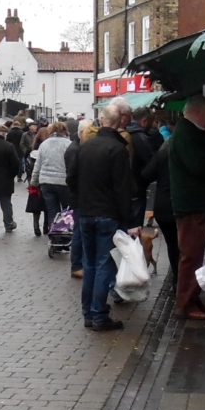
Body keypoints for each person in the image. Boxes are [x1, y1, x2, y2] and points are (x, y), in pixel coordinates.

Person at [67, 104, 139, 332]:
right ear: (119, 122)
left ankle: (89, 313)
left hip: (86, 213)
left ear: (101, 120)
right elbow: (122, 189)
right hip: (108, 214)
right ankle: (98, 314)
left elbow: (71, 179)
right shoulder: (117, 149)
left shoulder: (85, 147)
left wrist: (82, 199)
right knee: (104, 265)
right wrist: (130, 221)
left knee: (89, 264)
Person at [169, 95, 205, 320]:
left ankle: (192, 299)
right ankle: (186, 304)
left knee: (196, 255)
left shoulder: (188, 133)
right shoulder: (187, 135)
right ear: (200, 112)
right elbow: (200, 166)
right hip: (193, 206)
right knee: (192, 255)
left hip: (194, 204)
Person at [143, 138, 180, 285]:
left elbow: (146, 175)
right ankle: (183, 283)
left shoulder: (164, 152)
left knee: (173, 245)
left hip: (164, 207)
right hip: (184, 206)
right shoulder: (192, 153)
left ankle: (177, 281)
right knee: (186, 247)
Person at [65, 120, 98, 279]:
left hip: (81, 197)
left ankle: (81, 264)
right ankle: (77, 265)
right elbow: (72, 177)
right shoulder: (75, 150)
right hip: (79, 198)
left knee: (80, 231)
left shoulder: (78, 148)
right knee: (78, 232)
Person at [31, 123, 73, 236]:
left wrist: (33, 182)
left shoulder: (44, 144)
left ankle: (54, 234)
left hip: (46, 182)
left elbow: (37, 165)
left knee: (52, 211)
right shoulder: (68, 144)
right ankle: (65, 233)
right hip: (64, 182)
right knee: (66, 210)